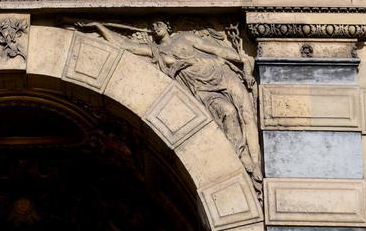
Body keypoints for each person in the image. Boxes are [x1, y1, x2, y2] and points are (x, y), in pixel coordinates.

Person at [75, 19, 262, 192]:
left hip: (222, 75)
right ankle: (239, 155)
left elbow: (219, 52)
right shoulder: (156, 51)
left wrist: (244, 63)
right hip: (203, 90)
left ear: (168, 26)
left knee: (247, 115)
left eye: (159, 23)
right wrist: (98, 25)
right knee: (228, 112)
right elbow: (123, 44)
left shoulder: (184, 37)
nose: (155, 27)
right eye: (153, 25)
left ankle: (255, 164)